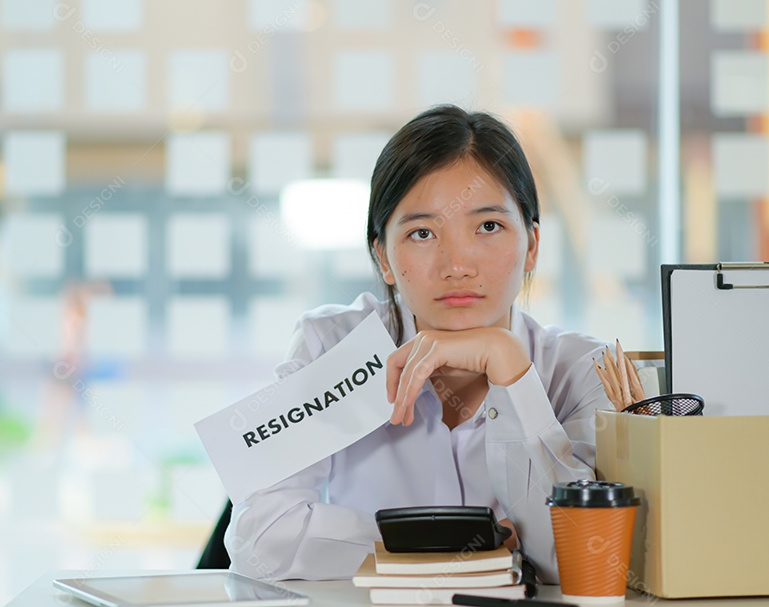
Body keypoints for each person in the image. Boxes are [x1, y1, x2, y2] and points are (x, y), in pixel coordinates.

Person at [224, 105, 614, 584]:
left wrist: (510, 369)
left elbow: (581, 558)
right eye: (422, 233)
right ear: (383, 258)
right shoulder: (329, 345)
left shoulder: (584, 369)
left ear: (532, 246)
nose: (457, 264)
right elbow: (259, 540)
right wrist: (462, 544)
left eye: (488, 226)